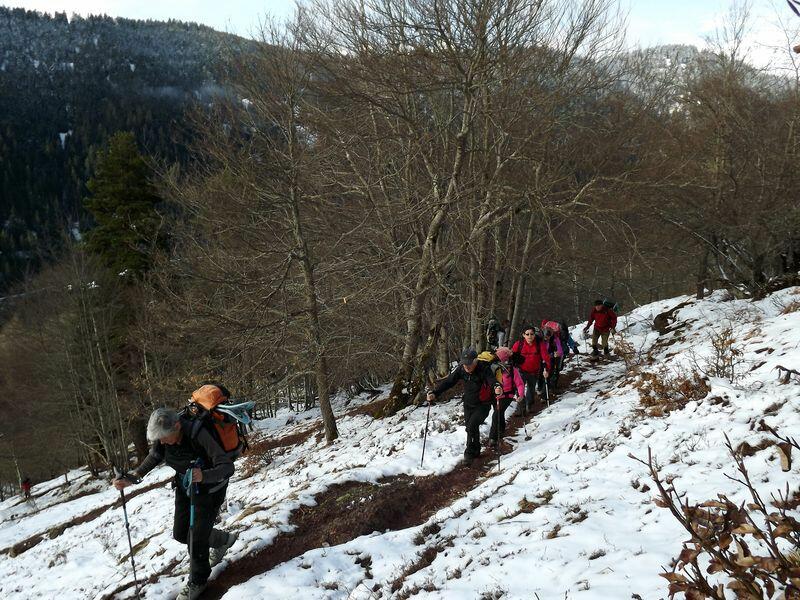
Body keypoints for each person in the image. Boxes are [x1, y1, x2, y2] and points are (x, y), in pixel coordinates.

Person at [112, 399, 239, 600]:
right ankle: (222, 540)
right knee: (181, 533)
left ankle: (198, 581)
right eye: (159, 439)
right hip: (184, 485)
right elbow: (155, 456)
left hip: (209, 489)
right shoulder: (164, 437)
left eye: (164, 438)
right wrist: (132, 477)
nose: (161, 442)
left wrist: (203, 476)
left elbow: (227, 467)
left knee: (196, 538)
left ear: (178, 426)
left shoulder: (198, 434)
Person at [427, 348, 501, 464]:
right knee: (470, 428)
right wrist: (435, 393)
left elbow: (492, 380)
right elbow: (449, 382)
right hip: (468, 404)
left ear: (475, 361)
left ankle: (469, 454)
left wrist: (497, 387)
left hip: (483, 405)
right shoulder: (461, 369)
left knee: (471, 426)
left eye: (469, 363)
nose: (467, 366)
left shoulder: (484, 368)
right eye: (464, 363)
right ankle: (476, 450)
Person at [511, 325, 551, 415]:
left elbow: (546, 358)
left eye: (532, 334)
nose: (530, 336)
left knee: (531, 389)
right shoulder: (519, 344)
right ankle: (521, 408)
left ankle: (529, 405)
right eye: (527, 334)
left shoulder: (539, 344)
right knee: (519, 388)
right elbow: (512, 355)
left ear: (534, 334)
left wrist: (547, 370)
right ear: (523, 335)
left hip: (534, 371)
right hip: (520, 370)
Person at [489, 347, 524, 447]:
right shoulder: (493, 369)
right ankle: (501, 429)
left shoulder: (512, 370)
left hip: (507, 395)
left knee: (496, 414)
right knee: (499, 412)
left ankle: (493, 437)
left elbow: (519, 384)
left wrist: (520, 395)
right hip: (495, 395)